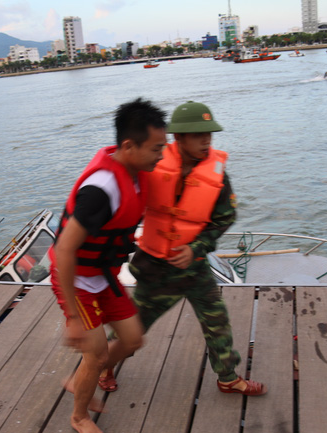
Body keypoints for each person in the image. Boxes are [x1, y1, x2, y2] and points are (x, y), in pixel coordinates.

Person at [110, 101, 267, 397]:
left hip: (193, 267)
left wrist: (197, 247)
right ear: (178, 138)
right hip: (154, 268)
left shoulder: (217, 173)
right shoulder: (151, 162)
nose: (206, 140)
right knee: (135, 326)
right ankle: (104, 365)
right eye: (198, 134)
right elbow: (124, 199)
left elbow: (225, 217)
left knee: (216, 319)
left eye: (209, 133)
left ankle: (228, 377)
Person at [50, 97, 166, 433]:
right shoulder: (102, 189)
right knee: (97, 353)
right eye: (157, 148)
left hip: (102, 274)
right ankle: (79, 417)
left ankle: (82, 376)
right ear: (129, 145)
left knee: (132, 339)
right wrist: (72, 317)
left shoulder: (136, 170)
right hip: (75, 280)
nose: (161, 155)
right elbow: (64, 250)